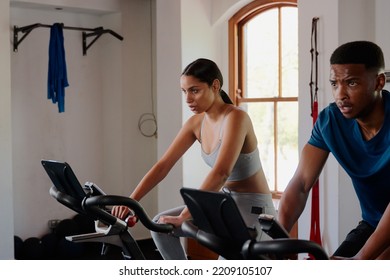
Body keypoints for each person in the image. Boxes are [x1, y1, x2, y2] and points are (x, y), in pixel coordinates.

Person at [112, 58, 276, 259]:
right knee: (159, 225)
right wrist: (132, 201)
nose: (188, 98)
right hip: (224, 203)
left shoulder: (236, 117)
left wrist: (184, 217)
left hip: (254, 209)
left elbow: (221, 173)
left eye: (194, 90)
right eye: (184, 91)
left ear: (215, 86)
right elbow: (163, 165)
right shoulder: (196, 123)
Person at [278, 41, 390, 260]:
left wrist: (360, 261)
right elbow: (301, 182)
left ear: (379, 82)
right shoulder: (330, 121)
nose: (340, 95)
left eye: (352, 83)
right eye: (334, 84)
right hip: (373, 224)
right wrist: (278, 238)